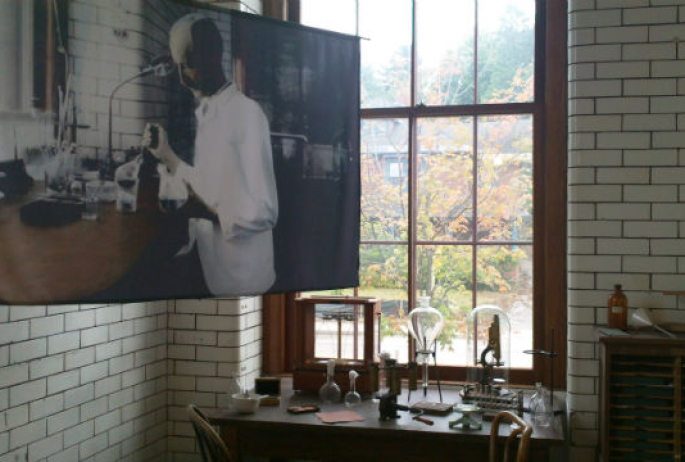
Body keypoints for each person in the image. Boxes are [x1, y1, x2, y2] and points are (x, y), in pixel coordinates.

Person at [142, 14, 278, 296]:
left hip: (243, 279)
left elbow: (266, 210)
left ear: (213, 56)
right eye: (178, 66)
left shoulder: (245, 114)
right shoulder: (208, 112)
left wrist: (206, 211)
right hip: (211, 267)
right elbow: (210, 187)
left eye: (188, 65)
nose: (181, 78)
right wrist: (167, 155)